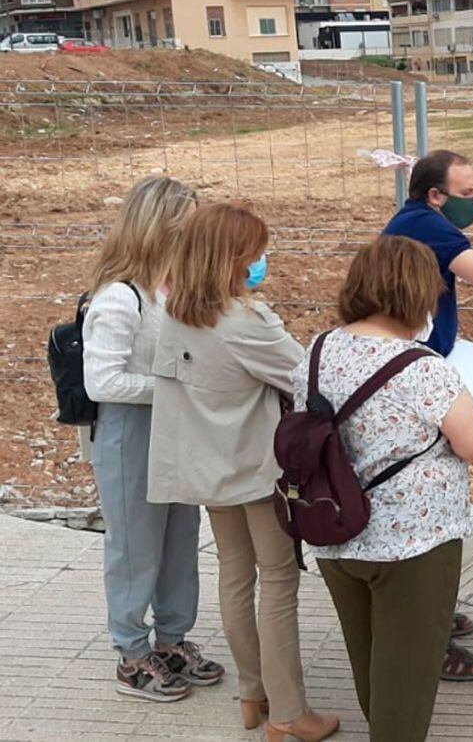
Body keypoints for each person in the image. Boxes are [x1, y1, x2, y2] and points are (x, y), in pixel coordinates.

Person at [295, 235, 473, 742]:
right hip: (414, 542)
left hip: (335, 529)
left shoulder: (317, 350)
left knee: (370, 660)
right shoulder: (423, 368)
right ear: (417, 293)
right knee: (407, 676)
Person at [147, 204, 338, 742]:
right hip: (257, 467)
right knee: (277, 580)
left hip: (207, 467)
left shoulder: (174, 314)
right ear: (231, 258)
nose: (261, 260)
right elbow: (306, 375)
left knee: (234, 574)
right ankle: (289, 712)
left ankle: (253, 693)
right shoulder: (245, 322)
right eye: (255, 252)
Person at [383, 148, 473, 680]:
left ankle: (433, 615)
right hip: (418, 377)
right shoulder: (430, 227)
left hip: (420, 367)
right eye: (468, 194)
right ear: (435, 194)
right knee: (428, 509)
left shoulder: (413, 221)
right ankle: (428, 636)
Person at [83, 176, 221, 703]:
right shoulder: (120, 299)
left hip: (172, 431)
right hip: (131, 433)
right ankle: (131, 652)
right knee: (135, 546)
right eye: (185, 226)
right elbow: (103, 383)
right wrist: (175, 387)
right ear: (158, 228)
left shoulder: (167, 292)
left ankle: (172, 639)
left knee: (180, 539)